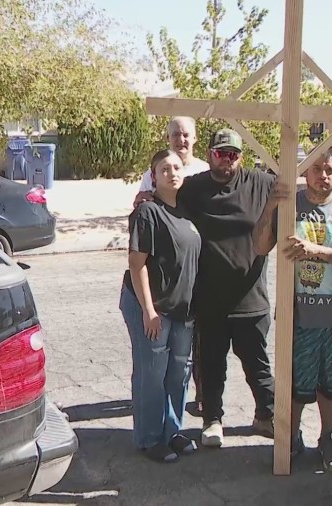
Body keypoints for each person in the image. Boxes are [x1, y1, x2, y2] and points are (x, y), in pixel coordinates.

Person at [252, 146, 332, 472]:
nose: (322, 176)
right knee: (294, 385)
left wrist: (315, 251)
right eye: (316, 168)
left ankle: (327, 438)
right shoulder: (290, 205)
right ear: (305, 171)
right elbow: (260, 246)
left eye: (330, 170)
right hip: (297, 318)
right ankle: (290, 438)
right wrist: (272, 205)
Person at [175, 128, 277, 448]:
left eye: (232, 155)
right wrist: (143, 200)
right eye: (221, 153)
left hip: (251, 297)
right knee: (211, 366)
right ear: (209, 155)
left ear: (241, 158)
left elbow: (300, 191)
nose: (227, 160)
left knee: (258, 366)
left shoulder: (261, 183)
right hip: (210, 299)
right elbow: (164, 196)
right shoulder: (192, 188)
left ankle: (267, 416)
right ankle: (212, 420)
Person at [119, 150, 201, 463]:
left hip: (183, 308)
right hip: (153, 307)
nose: (172, 173)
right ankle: (150, 439)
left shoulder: (189, 210)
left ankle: (173, 432)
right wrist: (148, 311)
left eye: (176, 167)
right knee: (151, 374)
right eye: (164, 169)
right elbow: (137, 263)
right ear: (153, 176)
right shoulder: (148, 212)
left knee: (178, 373)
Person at [133, 115, 210, 415]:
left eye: (186, 134)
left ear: (195, 137)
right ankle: (153, 425)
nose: (181, 139)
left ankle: (199, 401)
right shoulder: (153, 174)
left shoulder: (204, 170)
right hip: (164, 285)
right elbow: (142, 218)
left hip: (197, 275)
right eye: (175, 134)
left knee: (191, 355)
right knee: (156, 365)